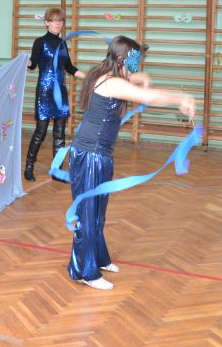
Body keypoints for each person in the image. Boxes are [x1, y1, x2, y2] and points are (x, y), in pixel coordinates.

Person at [68, 36, 194, 290]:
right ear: (120, 59)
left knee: (97, 214)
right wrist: (181, 98)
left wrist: (143, 78)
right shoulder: (112, 82)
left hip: (98, 154)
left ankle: (98, 258)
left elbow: (137, 79)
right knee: (88, 215)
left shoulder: (103, 73)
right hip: (90, 156)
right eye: (135, 59)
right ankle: (84, 271)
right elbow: (148, 97)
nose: (137, 65)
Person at [25, 7, 86, 181]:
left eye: (60, 21)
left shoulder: (63, 43)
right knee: (41, 132)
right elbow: (33, 65)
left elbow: (70, 68)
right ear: (46, 22)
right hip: (45, 92)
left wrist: (88, 77)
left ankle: (57, 169)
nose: (58, 24)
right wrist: (26, 61)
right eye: (54, 21)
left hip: (60, 93)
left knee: (60, 133)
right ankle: (29, 166)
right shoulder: (40, 42)